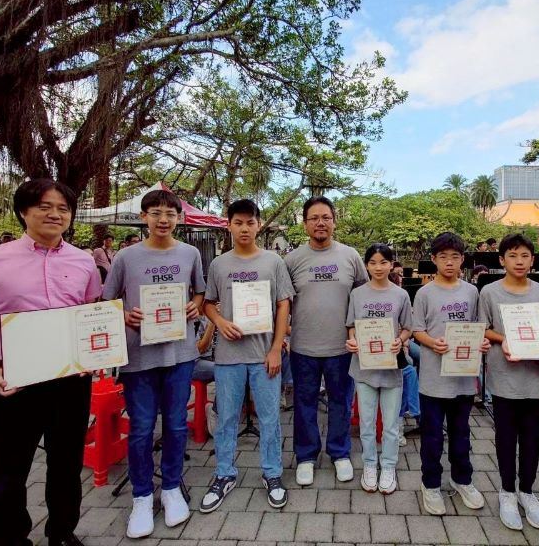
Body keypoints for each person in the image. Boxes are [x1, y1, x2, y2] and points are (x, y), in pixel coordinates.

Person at [0, 179, 101, 546]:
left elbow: (91, 315)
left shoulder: (83, 262)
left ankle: (62, 531)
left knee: (66, 463)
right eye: (44, 206)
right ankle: (8, 537)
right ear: (23, 211)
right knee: (9, 467)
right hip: (14, 380)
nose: (54, 214)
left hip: (70, 380)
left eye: (63, 208)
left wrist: (95, 356)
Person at [102, 190, 205, 539]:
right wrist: (125, 315)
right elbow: (108, 301)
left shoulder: (190, 253)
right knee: (142, 428)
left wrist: (194, 306)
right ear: (143, 216)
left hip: (180, 354)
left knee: (177, 425)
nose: (163, 219)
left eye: (170, 214)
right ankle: (142, 496)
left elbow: (199, 294)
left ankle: (173, 487)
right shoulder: (125, 258)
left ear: (179, 218)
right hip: (139, 359)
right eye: (156, 213)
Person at [200, 199, 294, 512]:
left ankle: (272, 473)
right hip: (228, 358)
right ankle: (224, 473)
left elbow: (283, 305)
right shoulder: (219, 264)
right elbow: (208, 303)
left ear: (258, 224)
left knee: (270, 419)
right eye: (238, 222)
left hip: (264, 355)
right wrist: (220, 322)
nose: (244, 228)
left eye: (250, 222)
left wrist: (276, 347)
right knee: (226, 418)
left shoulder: (273, 262)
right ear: (229, 225)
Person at [285, 195, 367, 486]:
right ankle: (306, 456)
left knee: (341, 401)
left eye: (326, 218)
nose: (320, 223)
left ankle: (339, 452)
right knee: (304, 401)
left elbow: (363, 296)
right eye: (314, 218)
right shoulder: (292, 259)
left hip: (342, 347)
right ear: (305, 224)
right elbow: (282, 303)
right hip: (303, 347)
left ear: (334, 221)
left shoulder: (351, 256)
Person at [479, 233, 539, 532]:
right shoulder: (490, 292)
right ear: (502, 260)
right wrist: (504, 338)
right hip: (503, 376)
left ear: (532, 260)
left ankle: (528, 491)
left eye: (524, 256)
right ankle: (507, 491)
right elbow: (484, 329)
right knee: (506, 437)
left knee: (533, 438)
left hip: (535, 377)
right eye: (512, 255)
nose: (519, 261)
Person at [412, 232, 489, 515]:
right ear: (433, 260)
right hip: (433, 380)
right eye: (442, 257)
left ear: (462, 260)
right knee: (432, 436)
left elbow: (479, 326)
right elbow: (417, 330)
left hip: (464, 377)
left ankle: (462, 480)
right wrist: (432, 342)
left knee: (461, 433)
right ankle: (430, 485)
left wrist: (481, 342)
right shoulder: (424, 293)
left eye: (454, 257)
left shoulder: (471, 292)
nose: (449, 262)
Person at [345, 243, 412, 494]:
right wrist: (352, 340)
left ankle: (389, 466)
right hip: (364, 368)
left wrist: (401, 340)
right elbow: (352, 326)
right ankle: (370, 465)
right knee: (367, 422)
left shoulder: (400, 295)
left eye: (383, 262)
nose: (378, 267)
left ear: (391, 264)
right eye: (372, 262)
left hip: (391, 368)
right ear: (366, 265)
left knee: (392, 423)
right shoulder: (357, 294)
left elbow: (408, 327)